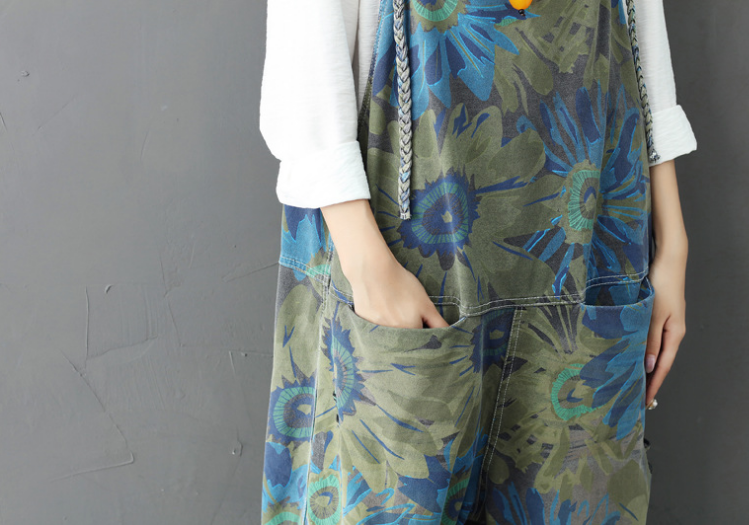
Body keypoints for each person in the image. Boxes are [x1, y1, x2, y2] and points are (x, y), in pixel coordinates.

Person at [259, 0, 696, 523]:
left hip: (595, 231)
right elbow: (305, 33)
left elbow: (640, 18)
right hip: (403, 244)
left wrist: (672, 242)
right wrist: (365, 262)